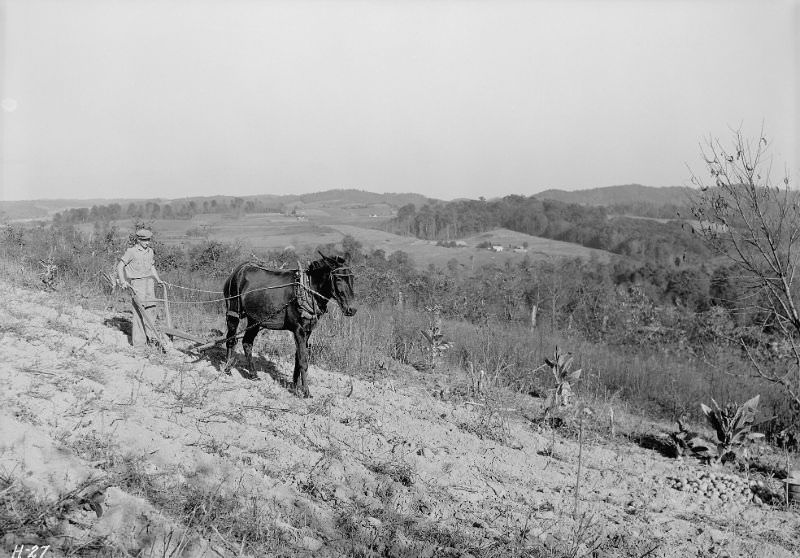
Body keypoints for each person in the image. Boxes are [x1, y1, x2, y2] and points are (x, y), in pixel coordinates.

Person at [117, 228, 165, 348]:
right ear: (138, 240)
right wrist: (123, 281)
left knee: (151, 311)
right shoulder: (131, 251)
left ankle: (152, 339)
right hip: (137, 284)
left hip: (149, 283)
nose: (147, 242)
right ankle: (139, 344)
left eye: (148, 240)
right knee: (139, 312)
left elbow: (152, 267)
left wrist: (158, 279)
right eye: (144, 240)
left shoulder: (150, 251)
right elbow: (120, 266)